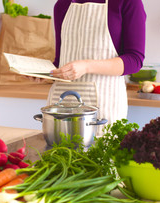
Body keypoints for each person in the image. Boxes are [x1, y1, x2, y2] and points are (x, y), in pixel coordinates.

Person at [34, 0, 146, 136]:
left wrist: (86, 66)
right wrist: (42, 72)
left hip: (105, 104)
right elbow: (60, 61)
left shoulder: (128, 2)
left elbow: (134, 60)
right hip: (63, 106)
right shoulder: (62, 4)